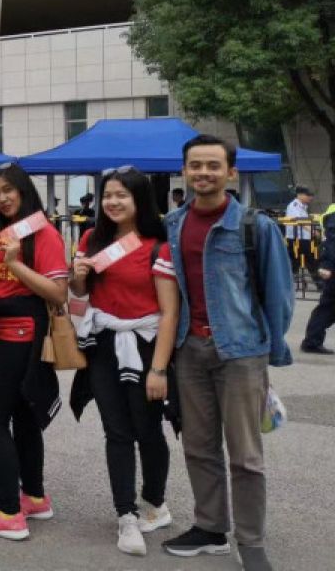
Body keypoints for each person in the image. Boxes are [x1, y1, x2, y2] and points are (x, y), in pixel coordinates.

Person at [160, 135, 293, 571]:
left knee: (246, 457)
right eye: (195, 165)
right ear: (185, 170)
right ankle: (211, 526)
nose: (203, 173)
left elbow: (279, 294)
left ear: (231, 173)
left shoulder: (256, 226)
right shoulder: (175, 223)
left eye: (213, 166)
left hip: (240, 352)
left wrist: (270, 351)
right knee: (199, 448)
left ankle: (251, 540)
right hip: (189, 350)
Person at [69, 167, 180, 556]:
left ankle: (154, 501)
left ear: (139, 200)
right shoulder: (90, 238)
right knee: (116, 431)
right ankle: (125, 515)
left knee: (148, 429)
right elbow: (80, 296)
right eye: (108, 196)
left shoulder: (158, 245)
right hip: (102, 344)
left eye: (122, 196)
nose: (113, 202)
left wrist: (159, 368)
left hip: (148, 346)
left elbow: (170, 312)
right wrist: (78, 277)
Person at [0, 162, 68, 541]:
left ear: (24, 190)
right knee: (24, 418)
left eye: (9, 189)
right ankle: (35, 497)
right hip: (2, 334)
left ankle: (9, 512)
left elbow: (59, 293)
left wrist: (14, 264)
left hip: (21, 337)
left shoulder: (43, 234)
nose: (3, 198)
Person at [301, 201, 335, 355]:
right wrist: (327, 265)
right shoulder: (333, 213)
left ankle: (312, 341)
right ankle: (311, 342)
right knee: (327, 308)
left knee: (327, 308)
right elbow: (332, 242)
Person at [284, 186, 317, 283]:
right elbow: (299, 221)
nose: (310, 198)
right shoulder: (294, 206)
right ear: (300, 195)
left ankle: (317, 283)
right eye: (308, 195)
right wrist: (312, 231)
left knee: (308, 261)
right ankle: (293, 283)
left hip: (304, 239)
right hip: (296, 239)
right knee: (298, 262)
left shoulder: (303, 206)